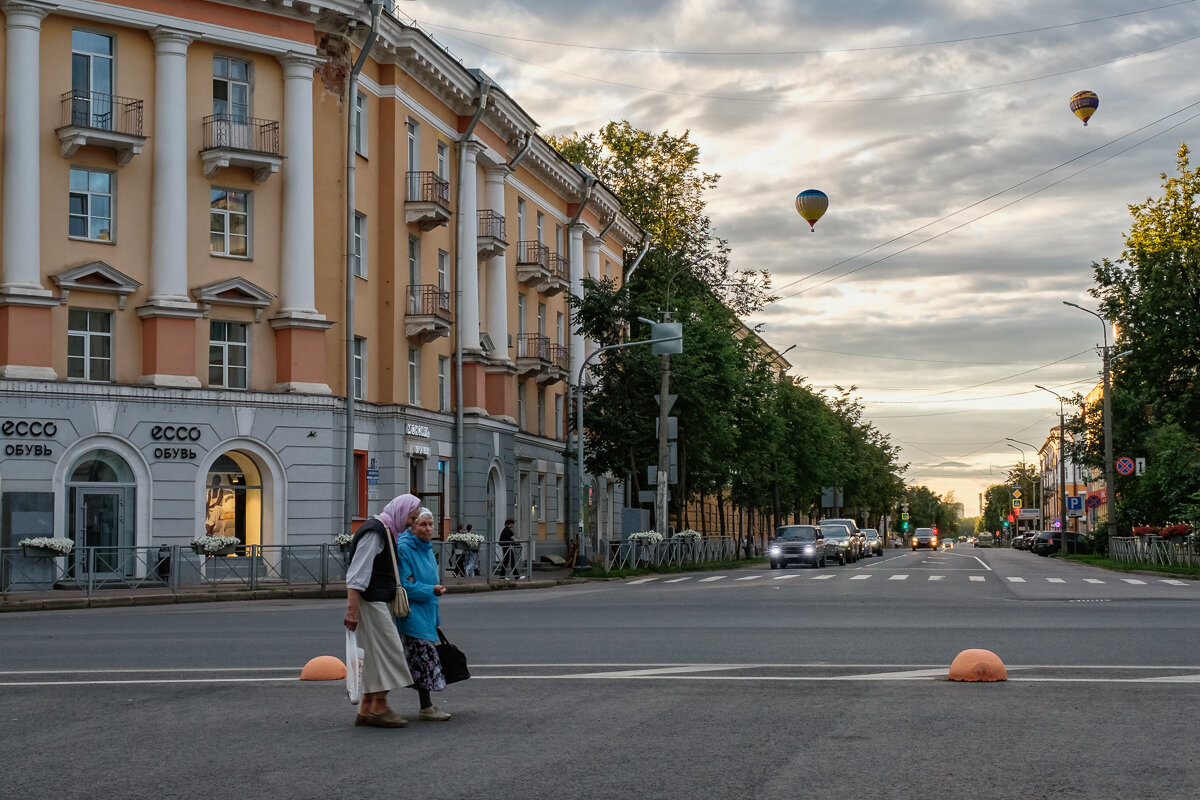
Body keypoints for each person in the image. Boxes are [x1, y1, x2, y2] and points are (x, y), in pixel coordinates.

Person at [343, 493, 421, 728]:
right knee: (389, 652)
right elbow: (356, 575)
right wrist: (352, 611)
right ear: (400, 510)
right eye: (412, 516)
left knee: (374, 655)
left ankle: (366, 708)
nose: (412, 522)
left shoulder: (386, 530)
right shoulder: (375, 532)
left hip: (375, 600)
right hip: (370, 603)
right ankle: (379, 706)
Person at [396, 507, 452, 721]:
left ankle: (423, 706)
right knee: (424, 659)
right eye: (422, 524)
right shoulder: (404, 548)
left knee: (419, 660)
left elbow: (427, 579)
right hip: (412, 613)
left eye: (430, 524)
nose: (428, 529)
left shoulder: (427, 547)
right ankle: (426, 707)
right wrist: (431, 590)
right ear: (412, 526)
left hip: (427, 610)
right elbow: (406, 586)